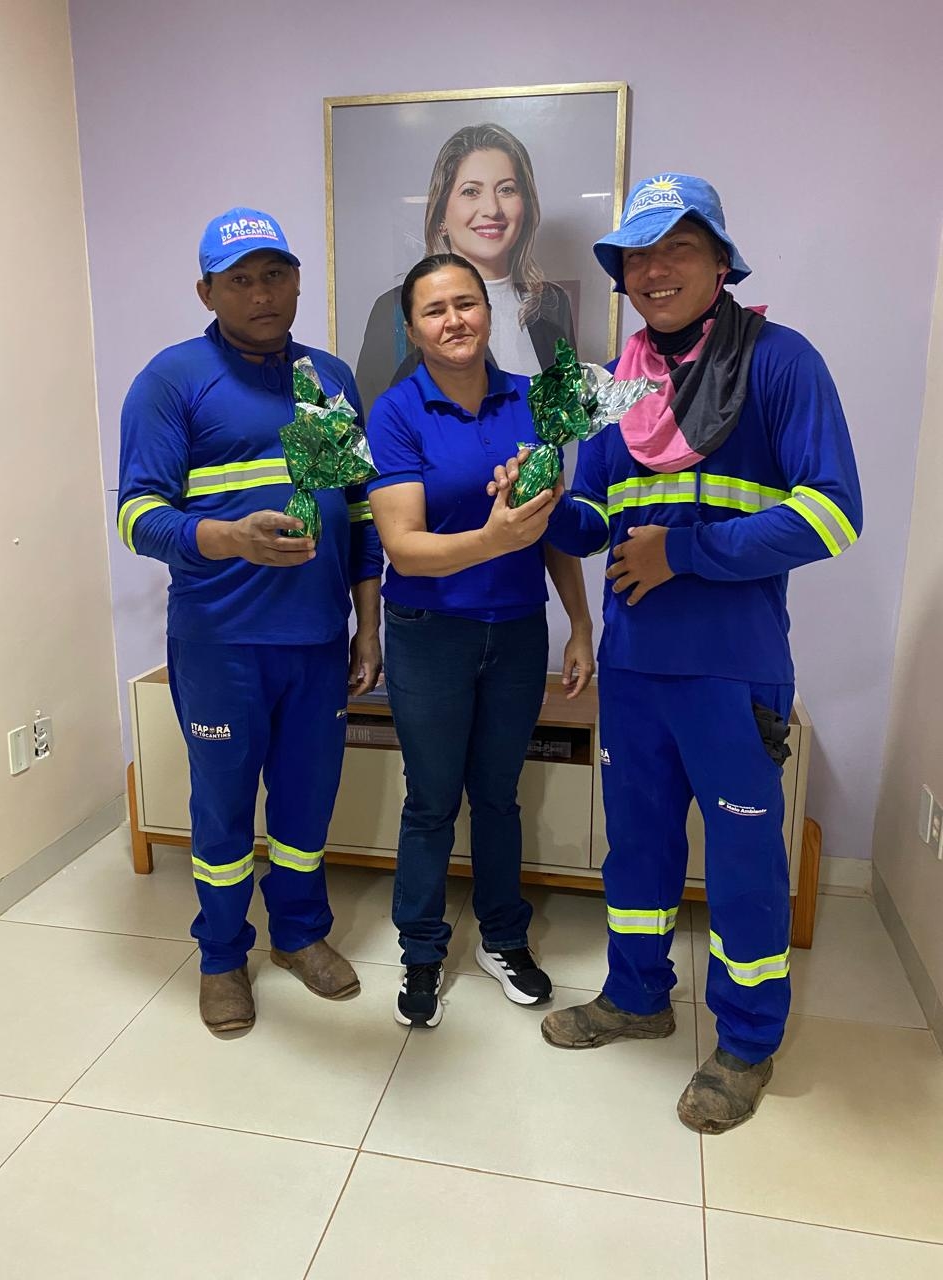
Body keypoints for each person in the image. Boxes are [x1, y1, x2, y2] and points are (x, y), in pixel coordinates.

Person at [527, 173, 863, 1131]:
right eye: (638, 255)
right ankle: (636, 996)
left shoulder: (782, 363)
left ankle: (747, 1041)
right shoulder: (616, 385)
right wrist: (543, 504)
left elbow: (834, 514)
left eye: (679, 247)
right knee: (635, 846)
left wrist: (683, 553)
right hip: (635, 669)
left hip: (732, 669)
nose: (656, 269)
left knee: (746, 861)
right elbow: (595, 519)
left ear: (721, 261)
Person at [117, 207, 383, 1034]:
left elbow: (361, 514)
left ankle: (299, 935)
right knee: (224, 806)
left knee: (305, 803)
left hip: (318, 641)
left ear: (298, 281)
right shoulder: (171, 380)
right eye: (240, 280)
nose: (261, 293)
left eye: (274, 275)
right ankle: (222, 955)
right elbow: (136, 516)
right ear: (207, 291)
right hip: (221, 643)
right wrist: (229, 537)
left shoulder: (331, 377)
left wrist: (368, 626)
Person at [365, 252, 594, 1029]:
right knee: (432, 801)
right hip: (430, 633)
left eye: (466, 303)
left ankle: (503, 937)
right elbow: (404, 549)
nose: (454, 320)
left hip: (518, 630)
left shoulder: (532, 402)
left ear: (489, 312)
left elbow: (549, 525)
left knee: (498, 797)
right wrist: (495, 539)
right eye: (434, 310)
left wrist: (579, 622)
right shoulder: (396, 413)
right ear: (412, 329)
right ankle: (422, 951)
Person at [356, 122, 575, 411]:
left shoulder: (551, 303)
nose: (492, 209)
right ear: (441, 216)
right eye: (471, 191)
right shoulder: (394, 309)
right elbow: (375, 422)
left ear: (526, 206)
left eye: (506, 189)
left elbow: (569, 414)